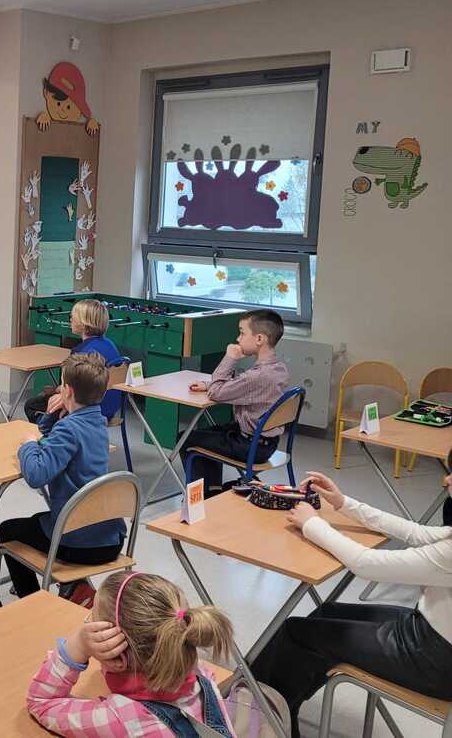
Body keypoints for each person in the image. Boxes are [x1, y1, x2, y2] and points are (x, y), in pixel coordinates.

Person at [252, 467, 452, 737]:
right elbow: (417, 533)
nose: (446, 479)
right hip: (429, 635)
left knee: (295, 633)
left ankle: (261, 719)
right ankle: (279, 711)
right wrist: (343, 502)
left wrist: (312, 524)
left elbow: (366, 564)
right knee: (326, 613)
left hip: (434, 660)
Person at [28, 571, 237, 737]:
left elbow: (41, 702)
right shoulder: (202, 676)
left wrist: (79, 646)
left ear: (118, 659)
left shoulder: (123, 719)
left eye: (92, 620)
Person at [0, 352, 125, 603]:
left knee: (7, 530)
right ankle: (74, 588)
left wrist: (28, 446)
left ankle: (33, 604)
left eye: (62, 385)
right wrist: (54, 412)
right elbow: (51, 433)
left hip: (81, 543)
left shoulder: (69, 428)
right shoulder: (97, 422)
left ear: (68, 390)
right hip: (110, 538)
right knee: (37, 521)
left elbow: (36, 475)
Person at [182, 309, 289, 495]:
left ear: (259, 339)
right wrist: (209, 384)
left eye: (242, 333)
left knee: (186, 439)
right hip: (267, 443)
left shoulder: (256, 376)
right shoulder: (278, 369)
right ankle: (213, 490)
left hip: (249, 446)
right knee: (207, 434)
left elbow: (216, 393)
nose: (238, 339)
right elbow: (241, 386)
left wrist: (230, 358)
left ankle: (201, 497)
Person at [24, 298, 122, 425]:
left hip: (87, 408)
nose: (70, 319)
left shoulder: (84, 355)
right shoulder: (109, 344)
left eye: (73, 316)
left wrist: (59, 392)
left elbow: (77, 392)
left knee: (31, 405)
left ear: (84, 323)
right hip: (110, 407)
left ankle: (51, 432)